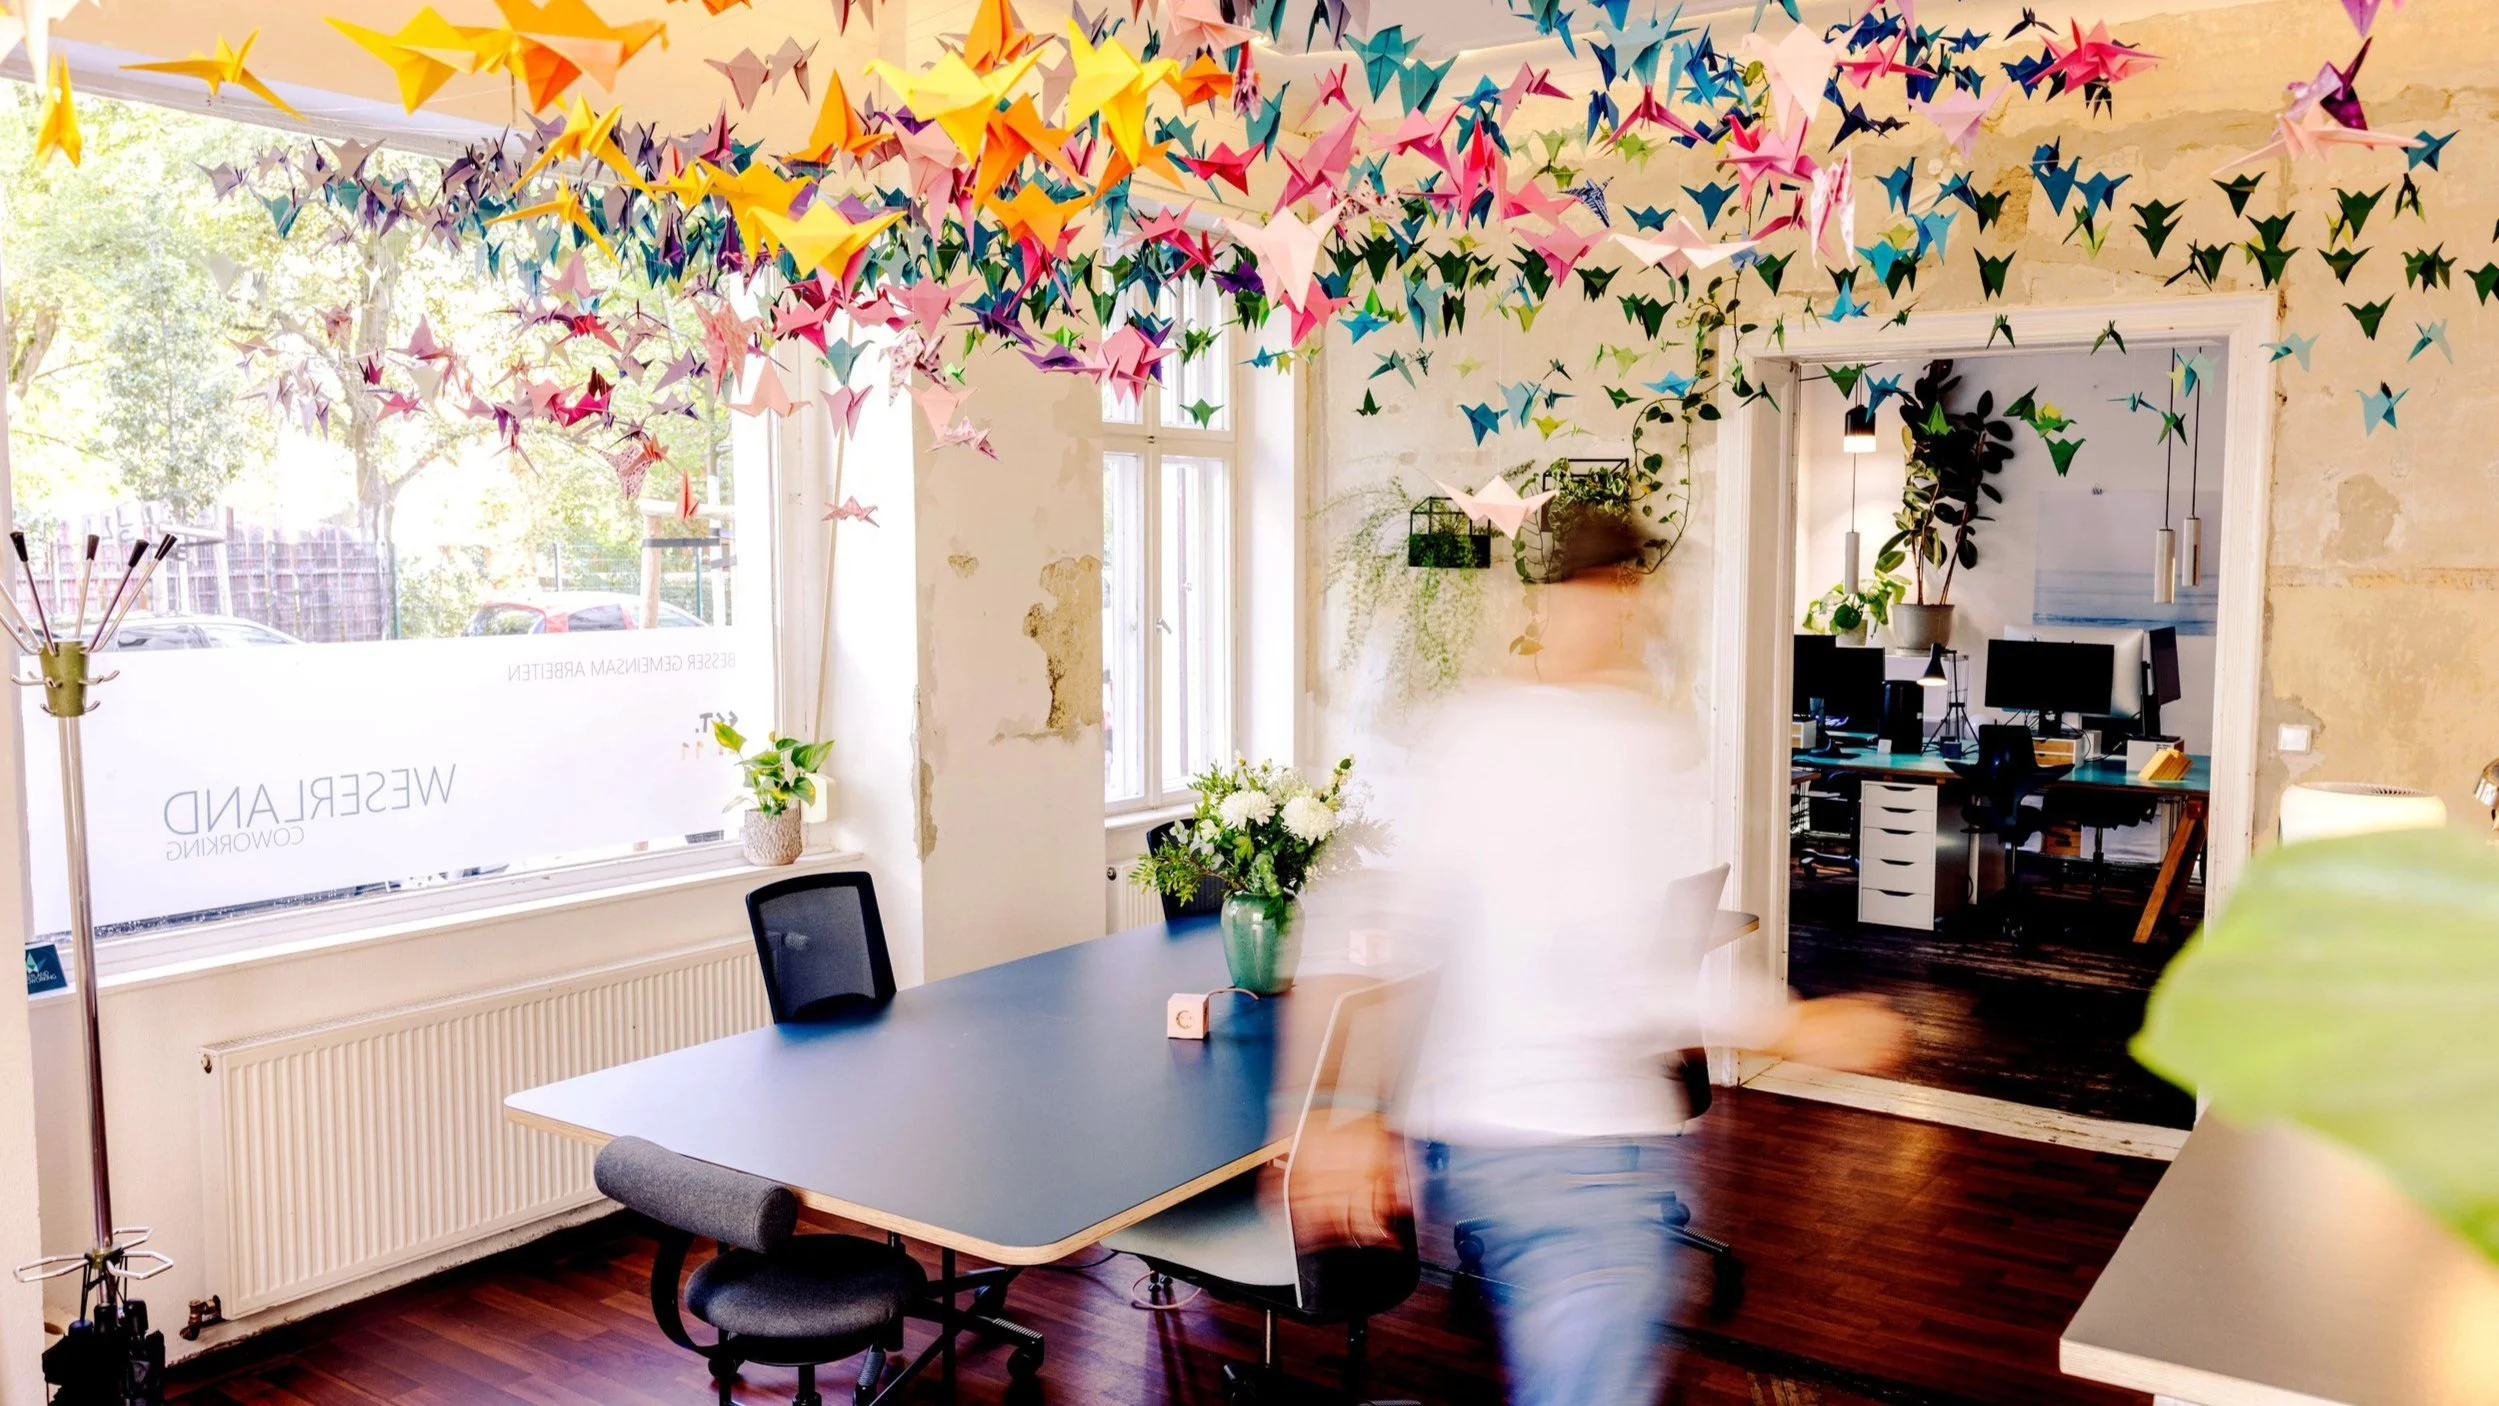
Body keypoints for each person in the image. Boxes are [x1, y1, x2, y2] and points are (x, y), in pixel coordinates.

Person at [1389, 518, 1905, 1406]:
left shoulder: (1487, 728)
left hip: (1491, 1137)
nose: (1637, 612)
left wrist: (1344, 1112)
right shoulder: (1595, 744)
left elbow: (1418, 925)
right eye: (1621, 590)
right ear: (1563, 601)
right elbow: (1610, 968)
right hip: (1575, 1146)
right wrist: (1793, 1024)